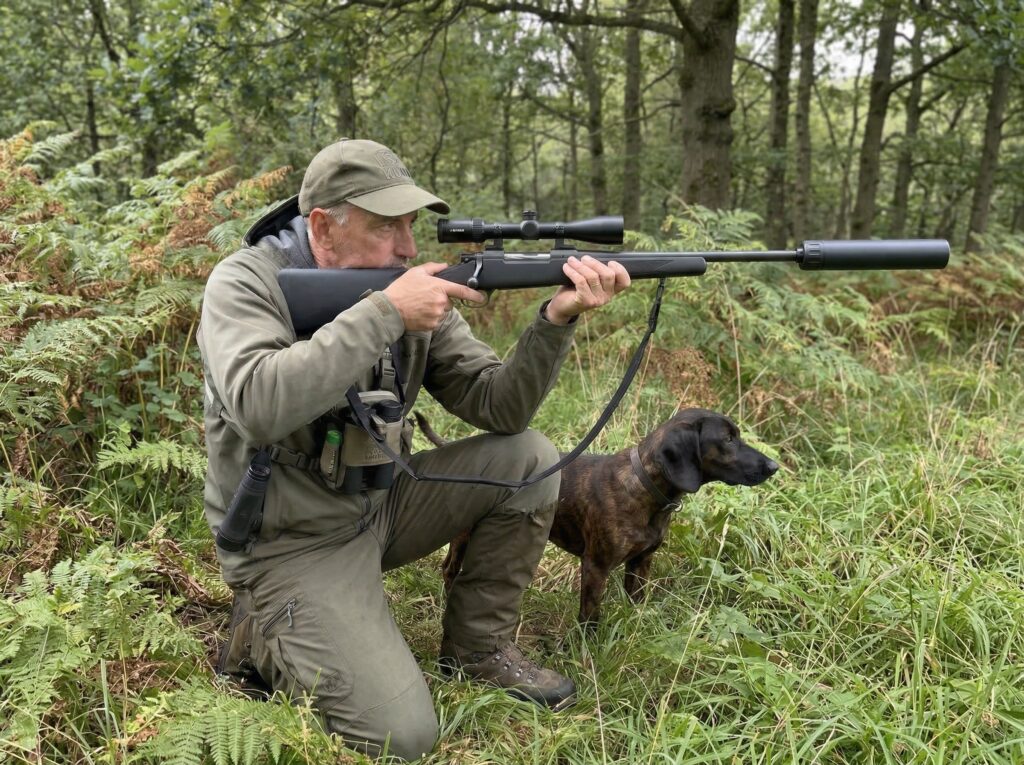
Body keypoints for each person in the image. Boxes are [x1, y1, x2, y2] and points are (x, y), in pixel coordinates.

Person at [198, 138, 630, 761]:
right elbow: (258, 405)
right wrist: (384, 314)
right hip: (290, 540)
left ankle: (479, 651)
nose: (406, 247)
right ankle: (259, 631)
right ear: (323, 225)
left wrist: (555, 319)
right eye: (385, 227)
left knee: (529, 458)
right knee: (400, 736)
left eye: (410, 225)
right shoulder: (247, 282)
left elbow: (497, 406)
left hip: (380, 504)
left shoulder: (403, 287)